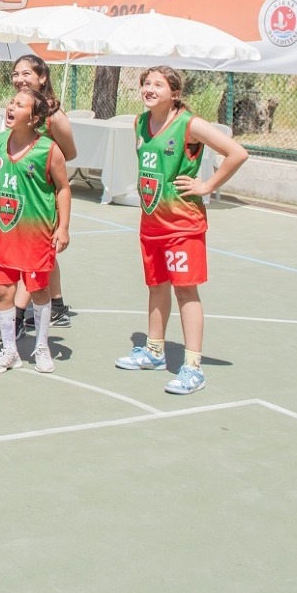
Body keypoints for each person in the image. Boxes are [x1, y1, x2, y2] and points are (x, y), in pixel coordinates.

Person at [115, 65, 250, 395]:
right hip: (151, 223)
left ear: (174, 94)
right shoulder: (140, 122)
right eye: (146, 83)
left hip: (182, 225)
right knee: (156, 286)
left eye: (157, 85)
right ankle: (154, 351)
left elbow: (237, 153)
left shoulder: (190, 125)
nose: (149, 89)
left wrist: (207, 186)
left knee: (185, 290)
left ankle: (192, 367)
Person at [0, 89, 72, 375]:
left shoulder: (48, 149)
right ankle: (10, 350)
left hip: (36, 233)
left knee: (38, 290)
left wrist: (63, 227)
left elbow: (63, 188)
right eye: (11, 102)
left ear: (34, 118)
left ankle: (42, 346)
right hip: (4, 230)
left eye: (19, 105)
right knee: (2, 289)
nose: (11, 107)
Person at [12, 53, 79, 331]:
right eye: (16, 74)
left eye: (26, 73)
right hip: (22, 196)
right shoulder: (18, 110)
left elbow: (70, 154)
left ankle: (15, 316)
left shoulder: (53, 116)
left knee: (33, 255)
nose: (20, 79)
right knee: (44, 253)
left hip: (43, 196)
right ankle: (58, 306)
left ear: (42, 77)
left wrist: (44, 164)